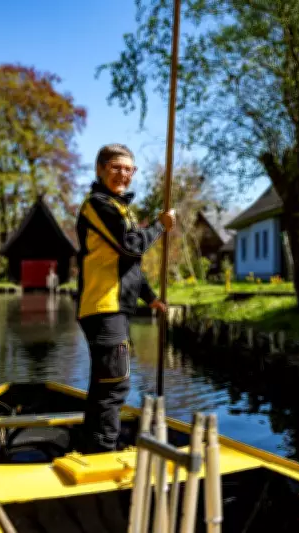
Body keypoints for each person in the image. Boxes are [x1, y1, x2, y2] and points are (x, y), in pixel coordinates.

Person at [75, 143, 176, 453]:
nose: (123, 174)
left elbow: (128, 263)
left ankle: (93, 445)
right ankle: (103, 451)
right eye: (116, 167)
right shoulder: (98, 205)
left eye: (129, 169)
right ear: (100, 170)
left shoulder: (121, 209)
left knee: (106, 383)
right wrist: (160, 226)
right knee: (115, 384)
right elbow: (131, 245)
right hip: (104, 305)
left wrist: (151, 297)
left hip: (113, 306)